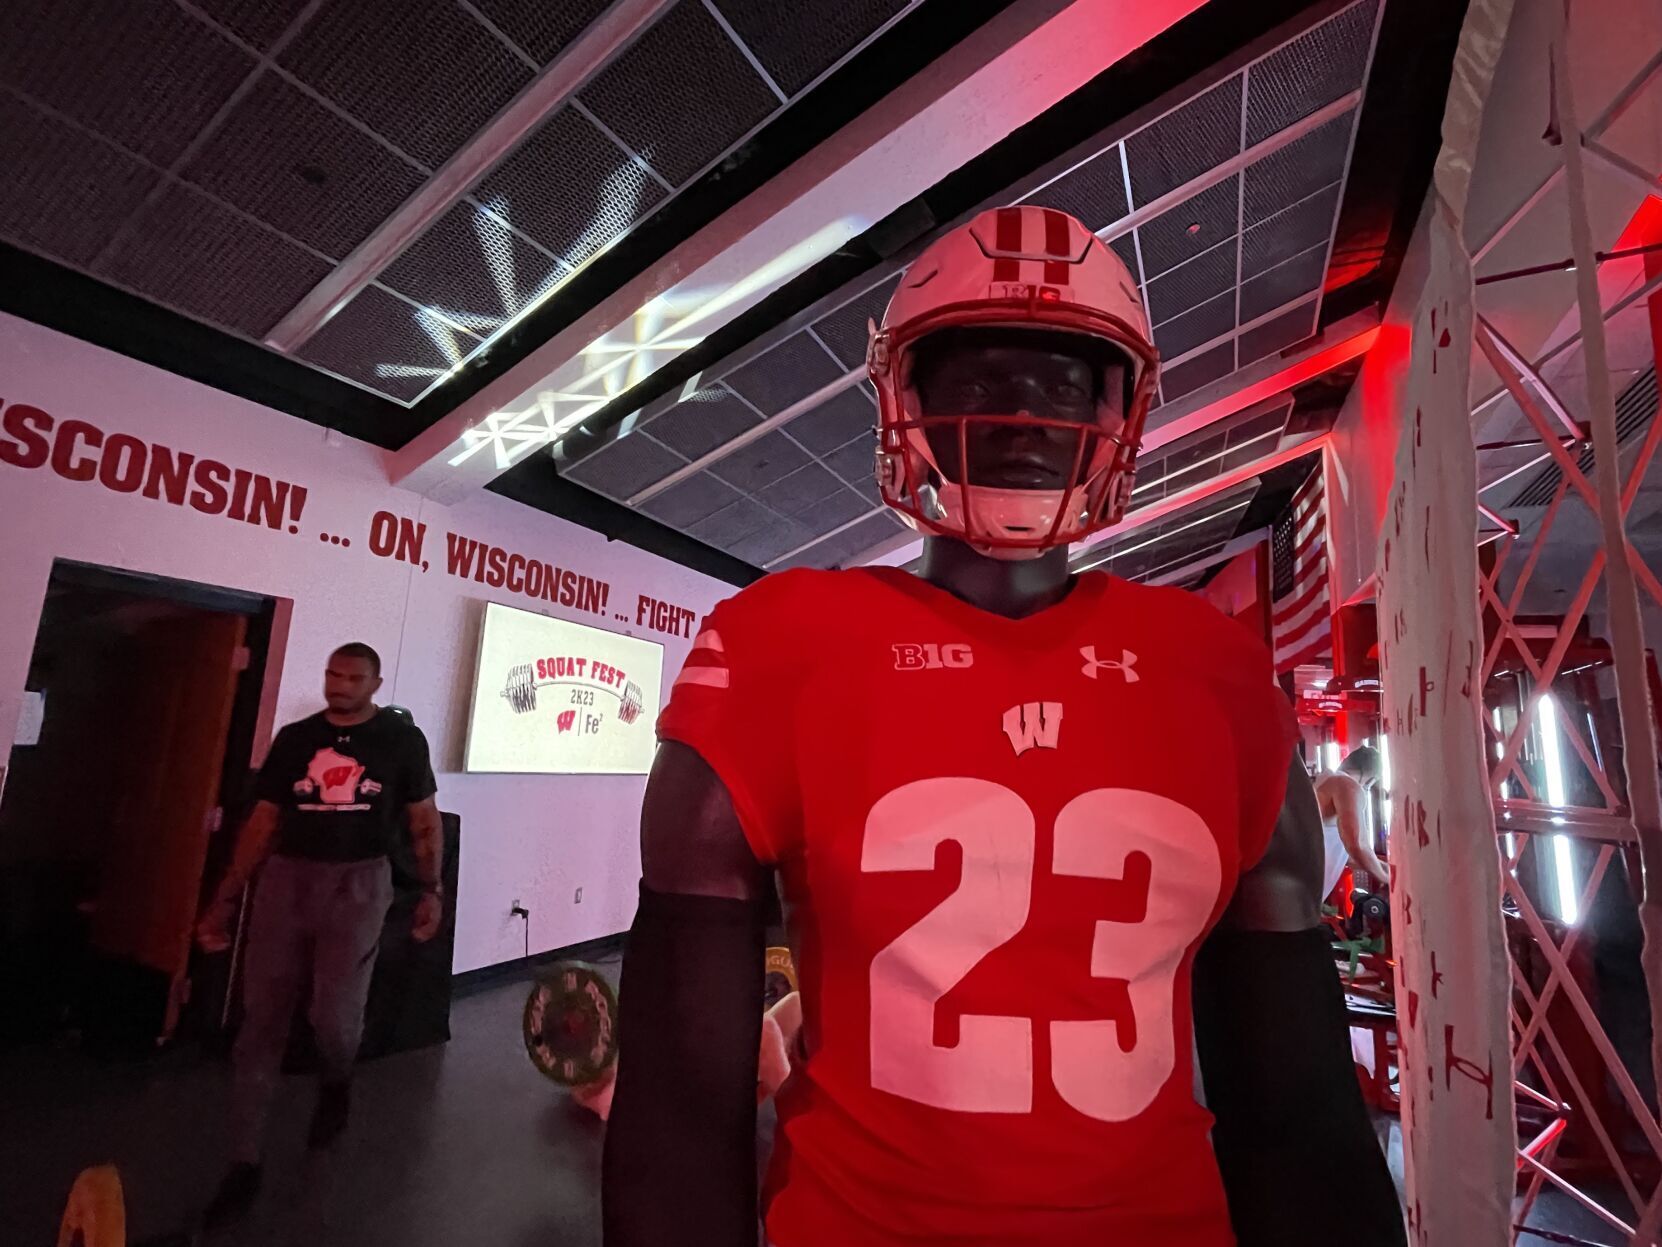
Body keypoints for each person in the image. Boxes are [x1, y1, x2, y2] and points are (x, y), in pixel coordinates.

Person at [602, 207, 1403, 1246]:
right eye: (980, 373)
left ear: (1122, 408)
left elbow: (1298, 1115)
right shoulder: (777, 647)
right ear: (910, 398)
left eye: (1066, 381)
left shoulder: (1214, 671)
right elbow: (676, 1110)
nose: (1025, 415)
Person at [195, 642, 442, 1226]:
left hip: (360, 883)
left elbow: (424, 821)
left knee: (333, 1016)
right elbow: (263, 821)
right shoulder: (297, 738)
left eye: (353, 677)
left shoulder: (401, 742)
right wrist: (225, 898)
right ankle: (243, 1162)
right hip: (287, 881)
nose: (340, 685)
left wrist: (432, 890)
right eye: (333, 673)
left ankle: (337, 1078)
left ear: (375, 684)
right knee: (262, 1020)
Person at [1316, 744, 1391, 900]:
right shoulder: (1348, 785)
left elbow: (1350, 858)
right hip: (1299, 897)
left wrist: (1387, 868)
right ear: (1371, 778)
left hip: (1299, 894)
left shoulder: (1326, 780)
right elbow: (1357, 845)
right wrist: (1390, 880)